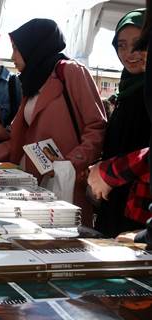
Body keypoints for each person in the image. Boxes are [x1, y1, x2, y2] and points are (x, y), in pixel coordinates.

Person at [0, 19, 107, 226]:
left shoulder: (70, 72)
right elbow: (20, 141)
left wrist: (70, 163)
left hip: (67, 185)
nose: (12, 56)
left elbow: (97, 128)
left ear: (33, 46)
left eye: (16, 49)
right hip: (36, 188)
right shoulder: (32, 82)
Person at [86, 9, 151, 238]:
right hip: (114, 199)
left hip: (140, 210)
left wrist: (109, 171)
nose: (130, 53)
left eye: (140, 43)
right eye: (121, 45)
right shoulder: (125, 93)